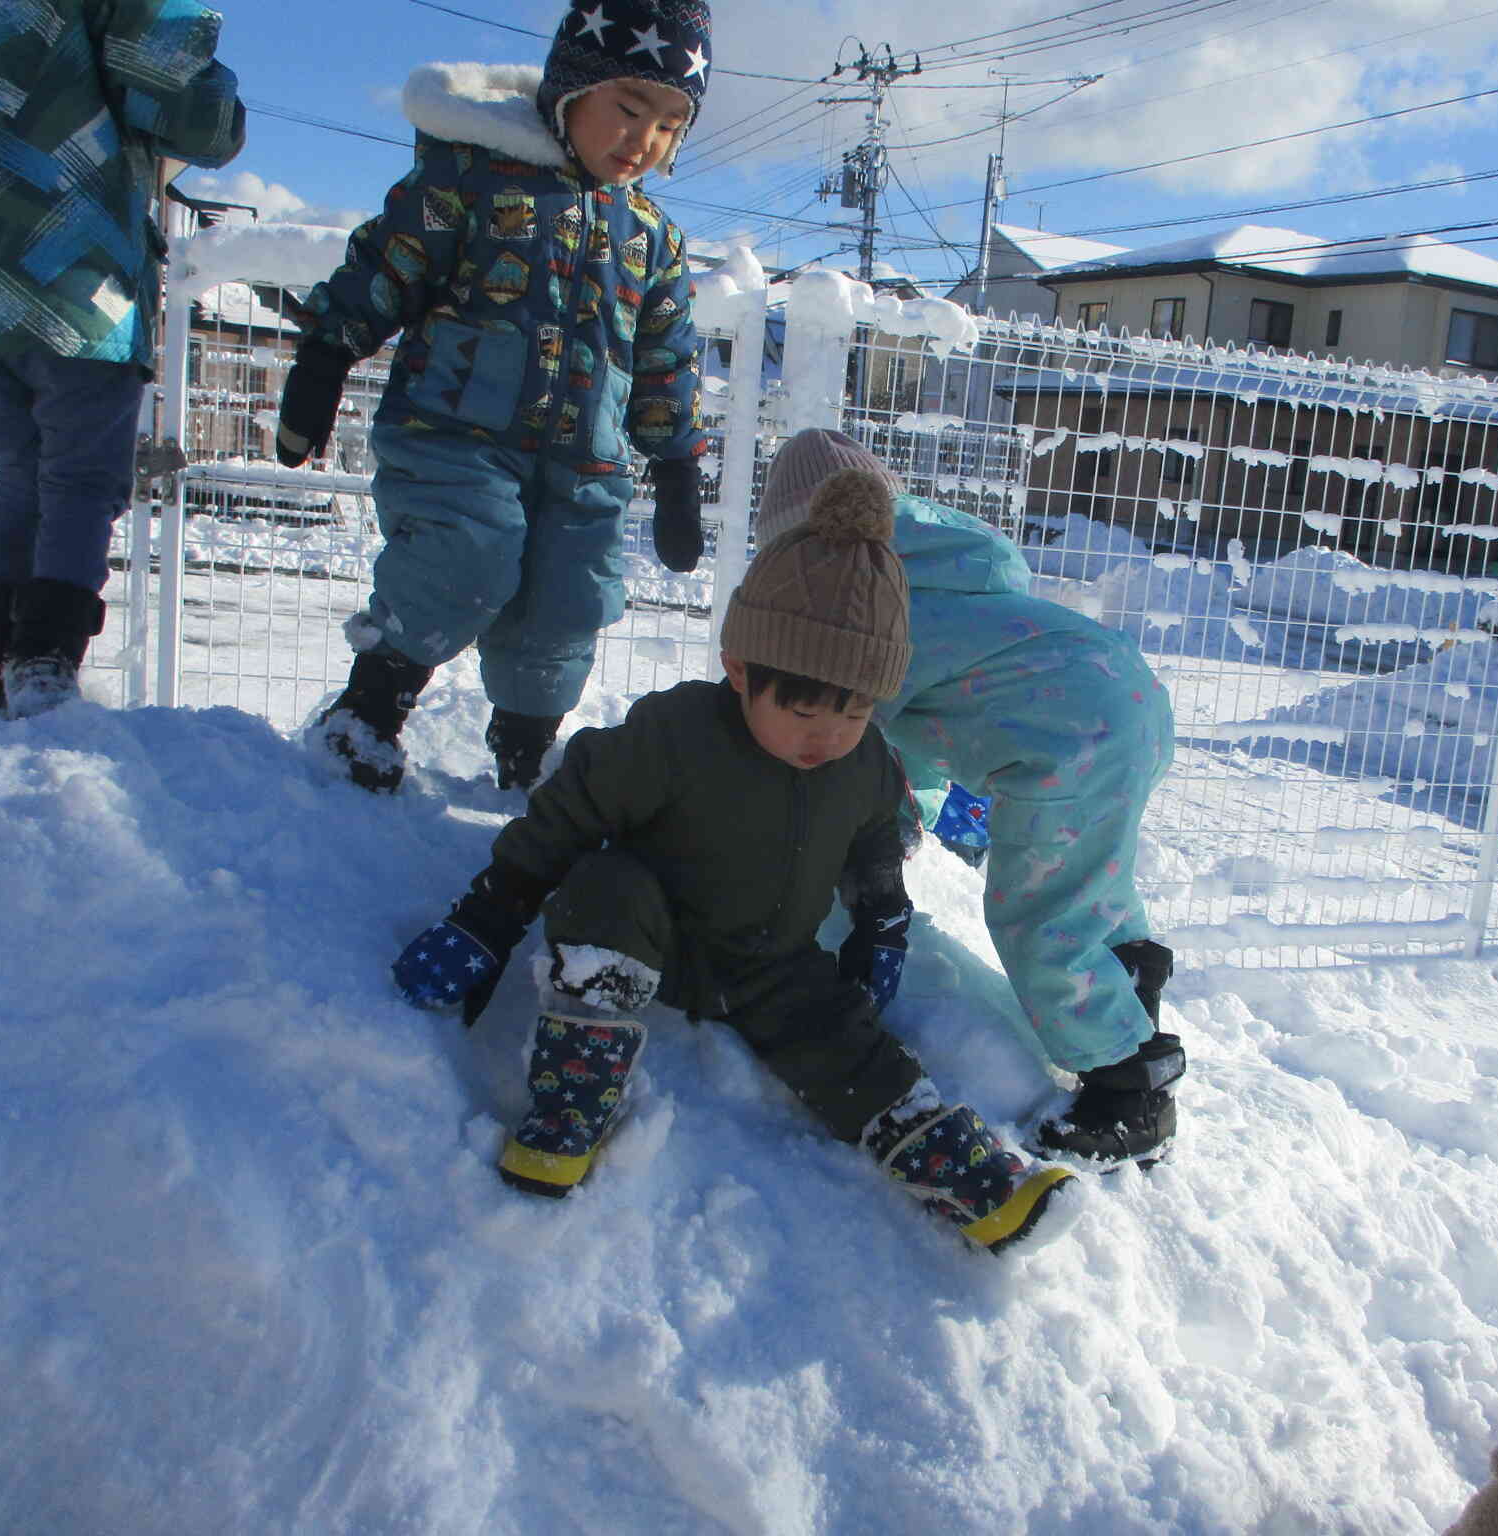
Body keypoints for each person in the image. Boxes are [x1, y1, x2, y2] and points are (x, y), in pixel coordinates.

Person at [390, 467, 1084, 1257]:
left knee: (849, 1040)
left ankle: (972, 1182)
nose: (828, 732)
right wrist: (487, 919)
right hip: (648, 934)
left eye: (856, 709)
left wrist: (883, 926)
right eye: (803, 706)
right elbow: (565, 816)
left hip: (768, 962)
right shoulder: (673, 734)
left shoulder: (862, 766)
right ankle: (571, 1099)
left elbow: (873, 847)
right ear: (742, 669)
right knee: (605, 886)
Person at [275, 0, 714, 794]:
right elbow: (392, 262)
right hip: (454, 434)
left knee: (569, 603)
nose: (643, 140)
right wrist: (326, 354)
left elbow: (666, 359)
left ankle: (526, 750)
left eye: (669, 124)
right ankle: (369, 711)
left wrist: (677, 461)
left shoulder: (654, 237)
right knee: (463, 557)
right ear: (572, 91)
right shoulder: (473, 177)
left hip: (586, 463)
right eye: (629, 107)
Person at [754, 428, 1187, 1171]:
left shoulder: (860, 601)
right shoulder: (943, 566)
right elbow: (911, 729)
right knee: (1091, 885)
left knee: (1044, 917)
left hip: (1073, 736)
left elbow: (857, 742)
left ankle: (1129, 1092)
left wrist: (873, 835)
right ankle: (1131, 996)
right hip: (1127, 699)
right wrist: (905, 811)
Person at [0, 0, 245, 717]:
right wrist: (220, 108)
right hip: (77, 276)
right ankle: (43, 662)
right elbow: (188, 102)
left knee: (19, 473)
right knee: (80, 477)